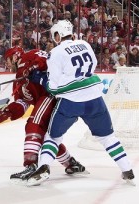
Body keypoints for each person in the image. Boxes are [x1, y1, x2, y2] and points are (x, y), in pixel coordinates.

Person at [26, 20, 135, 186]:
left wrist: (40, 79)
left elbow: (54, 88)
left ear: (58, 35)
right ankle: (127, 170)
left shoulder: (56, 52)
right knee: (107, 138)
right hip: (95, 99)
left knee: (53, 137)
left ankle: (43, 167)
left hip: (71, 102)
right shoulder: (85, 44)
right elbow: (92, 66)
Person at [0, 46, 86, 183]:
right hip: (46, 99)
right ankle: (71, 163)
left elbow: (48, 59)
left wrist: (33, 67)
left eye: (8, 60)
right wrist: (7, 112)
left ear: (15, 56)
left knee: (34, 124)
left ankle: (31, 165)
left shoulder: (30, 54)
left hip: (52, 94)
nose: (7, 64)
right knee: (44, 136)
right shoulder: (18, 80)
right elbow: (22, 103)